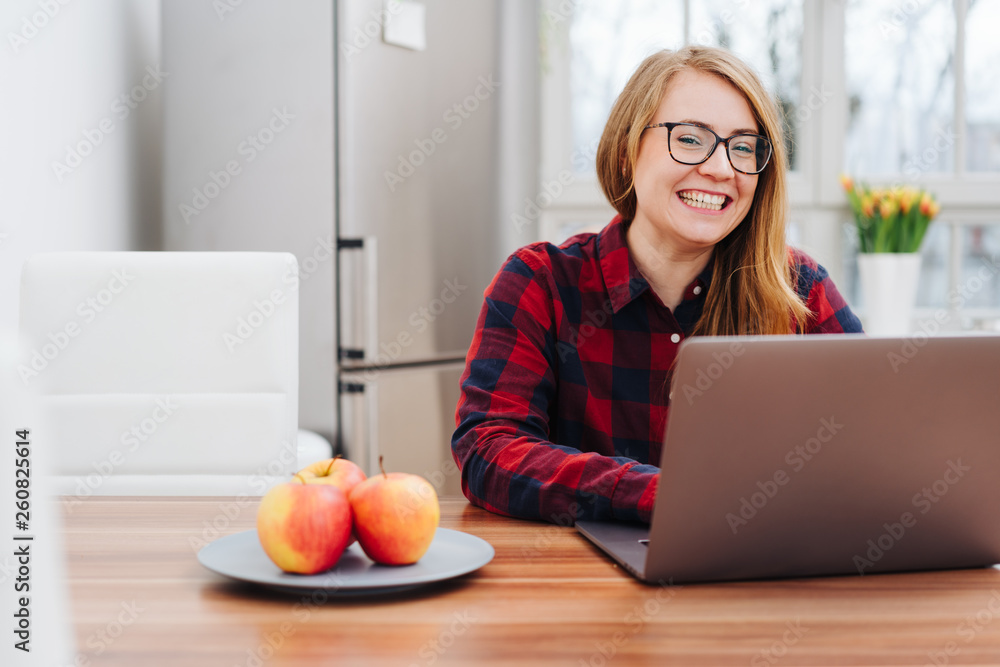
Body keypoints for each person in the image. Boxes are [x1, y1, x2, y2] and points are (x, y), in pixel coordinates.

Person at [451, 45, 862, 526]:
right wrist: (661, 495)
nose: (721, 168)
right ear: (627, 152)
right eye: (690, 139)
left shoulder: (799, 291)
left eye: (744, 147)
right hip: (587, 586)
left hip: (756, 577)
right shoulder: (540, 283)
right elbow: (489, 449)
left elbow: (875, 441)